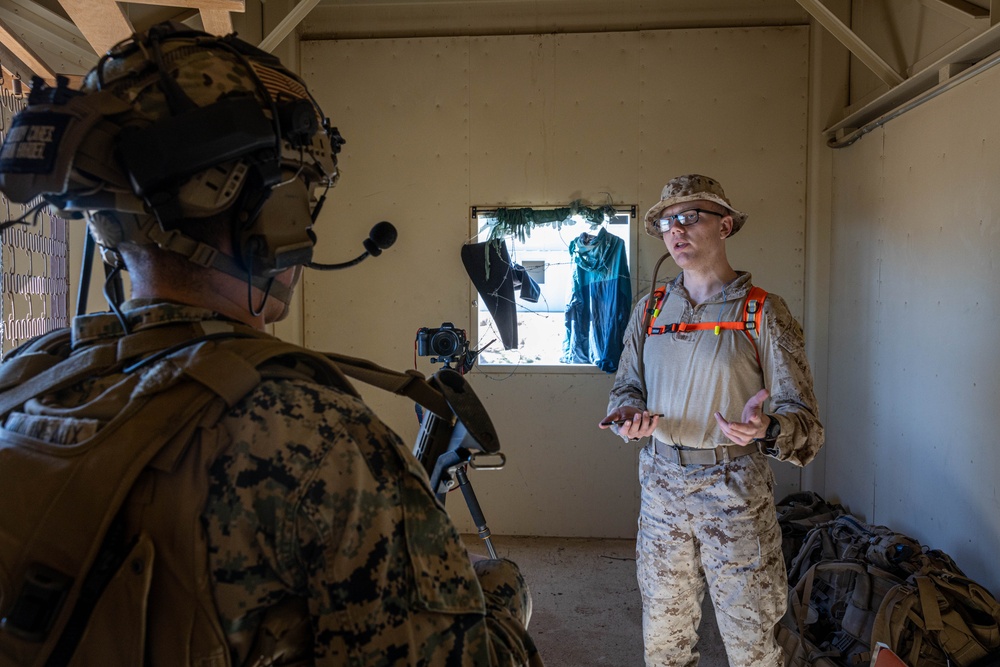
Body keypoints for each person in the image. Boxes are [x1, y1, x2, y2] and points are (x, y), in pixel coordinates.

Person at [0, 22, 542, 666]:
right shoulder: (318, 436)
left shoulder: (26, 376)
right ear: (270, 214)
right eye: (303, 193)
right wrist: (500, 600)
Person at [599, 174, 824, 667]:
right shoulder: (651, 309)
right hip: (661, 487)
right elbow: (626, 387)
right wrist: (628, 416)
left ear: (725, 225)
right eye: (664, 222)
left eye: (688, 217)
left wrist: (767, 428)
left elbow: (806, 423)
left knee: (753, 641)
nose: (674, 230)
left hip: (735, 489)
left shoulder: (762, 312)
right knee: (664, 639)